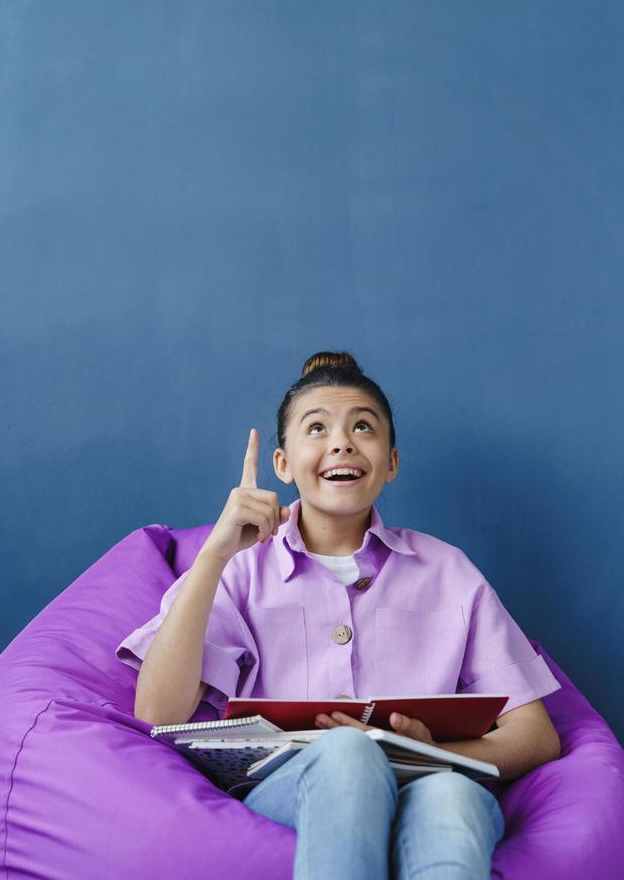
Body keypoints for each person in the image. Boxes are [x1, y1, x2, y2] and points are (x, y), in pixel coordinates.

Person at [116, 350, 562, 879]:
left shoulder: (449, 571)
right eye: (317, 427)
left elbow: (537, 735)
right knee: (349, 755)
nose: (342, 441)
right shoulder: (239, 569)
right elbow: (156, 709)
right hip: (292, 791)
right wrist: (213, 554)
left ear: (390, 462)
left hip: (425, 780)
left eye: (363, 427)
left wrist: (438, 751)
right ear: (283, 464)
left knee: (450, 794)